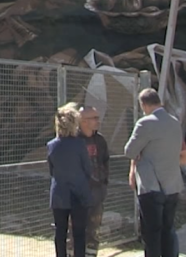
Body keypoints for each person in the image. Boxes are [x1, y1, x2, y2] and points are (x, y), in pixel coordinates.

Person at [125, 89, 184, 257]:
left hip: (151, 186)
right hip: (172, 185)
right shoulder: (175, 122)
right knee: (168, 230)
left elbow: (129, 151)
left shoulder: (145, 123)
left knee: (151, 234)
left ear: (144, 104)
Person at [48, 102, 94, 257]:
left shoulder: (52, 145)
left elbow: (51, 169)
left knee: (60, 232)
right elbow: (87, 168)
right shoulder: (80, 144)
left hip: (59, 193)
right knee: (79, 232)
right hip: (78, 193)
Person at [74, 105, 109, 257]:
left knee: (94, 230)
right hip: (78, 194)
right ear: (83, 121)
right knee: (75, 230)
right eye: (94, 118)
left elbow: (105, 162)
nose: (97, 121)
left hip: (96, 192)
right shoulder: (73, 141)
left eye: (97, 117)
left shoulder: (100, 140)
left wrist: (103, 184)